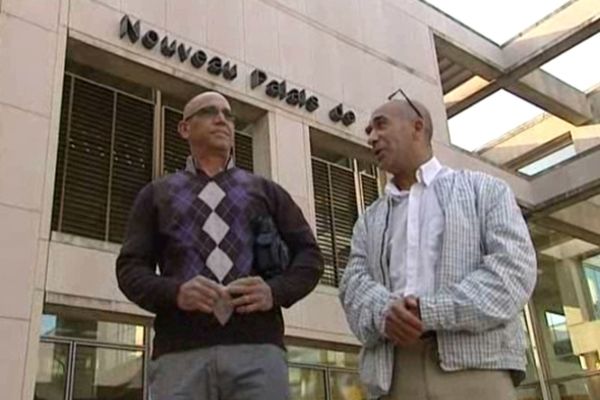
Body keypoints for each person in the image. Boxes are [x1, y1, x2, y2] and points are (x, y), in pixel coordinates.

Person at [116, 91, 323, 400]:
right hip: (179, 355)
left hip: (258, 352)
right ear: (185, 129)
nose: (222, 119)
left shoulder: (266, 191)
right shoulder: (156, 195)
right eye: (209, 112)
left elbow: (310, 257)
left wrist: (274, 291)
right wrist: (176, 292)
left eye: (228, 114)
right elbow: (130, 269)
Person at [339, 91, 537, 400]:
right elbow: (352, 285)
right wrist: (384, 313)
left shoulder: (485, 190)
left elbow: (514, 272)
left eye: (380, 125)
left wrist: (430, 311)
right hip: (394, 377)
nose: (371, 138)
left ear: (418, 127)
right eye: (368, 131)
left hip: (478, 370)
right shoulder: (369, 219)